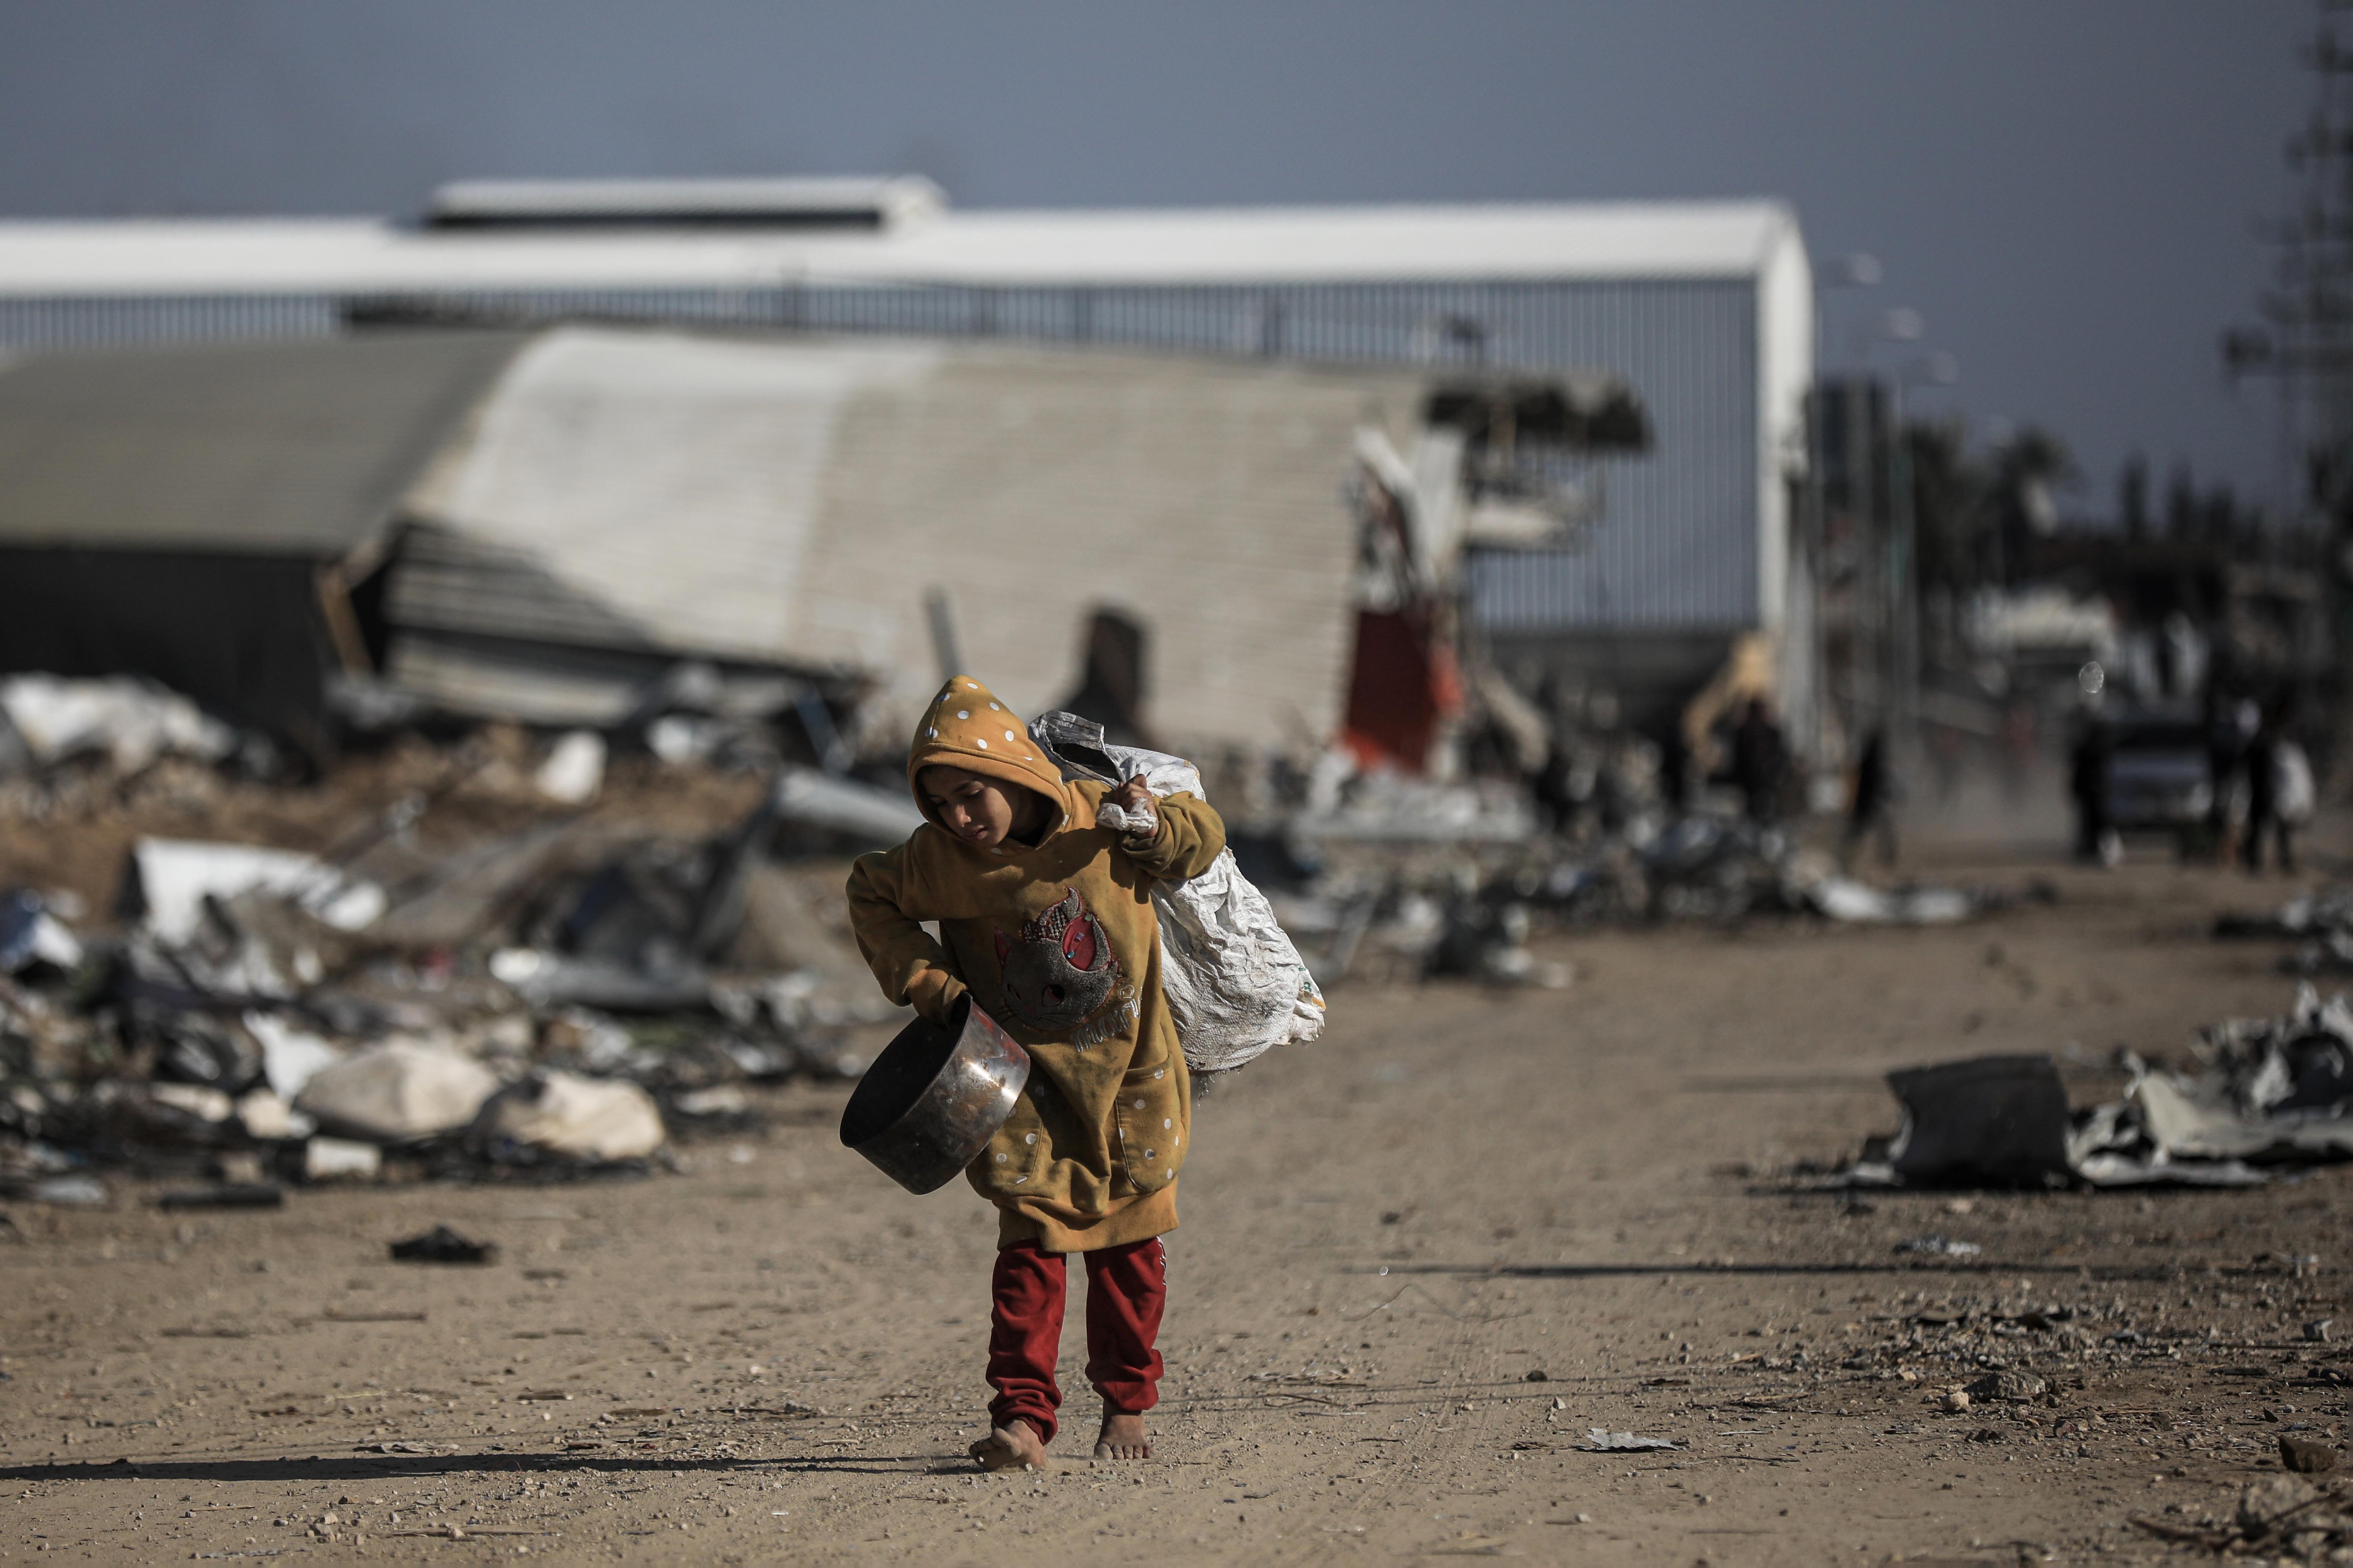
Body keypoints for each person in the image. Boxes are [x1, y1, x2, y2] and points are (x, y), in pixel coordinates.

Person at [846, 676, 1226, 1471]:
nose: (958, 816)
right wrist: (932, 987)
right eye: (940, 803)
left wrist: (1153, 824)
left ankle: (1126, 1406)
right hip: (1019, 1089)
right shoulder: (941, 863)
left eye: (971, 793)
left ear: (1018, 772)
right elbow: (870, 894)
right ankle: (1023, 1420)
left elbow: (1203, 836)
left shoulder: (1101, 820)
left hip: (1132, 1083)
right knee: (1029, 1259)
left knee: (1130, 1259)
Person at [1840, 728, 1899, 871]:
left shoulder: (1869, 761)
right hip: (1867, 802)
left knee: (1875, 830)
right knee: (1860, 831)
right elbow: (1870, 783)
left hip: (1869, 802)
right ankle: (1846, 857)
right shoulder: (1870, 762)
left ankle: (1886, 856)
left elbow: (1875, 782)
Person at [1729, 697, 1785, 824]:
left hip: (1759, 781)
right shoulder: (1769, 732)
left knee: (1759, 815)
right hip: (1760, 781)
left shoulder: (1744, 732)